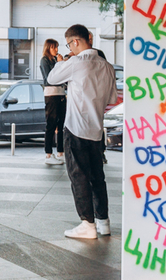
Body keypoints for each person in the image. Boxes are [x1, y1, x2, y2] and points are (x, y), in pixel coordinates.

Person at [45, 24, 118, 239]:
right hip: (96, 129)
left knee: (78, 176)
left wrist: (61, 62)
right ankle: (103, 221)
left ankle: (87, 223)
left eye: (69, 44)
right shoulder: (107, 66)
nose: (70, 48)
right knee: (97, 177)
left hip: (76, 127)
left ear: (75, 41)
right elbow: (112, 99)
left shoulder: (76, 62)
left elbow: (52, 79)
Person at [40, 39, 66, 166]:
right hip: (51, 93)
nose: (56, 50)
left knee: (61, 124)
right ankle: (48, 154)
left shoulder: (56, 60)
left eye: (56, 47)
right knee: (51, 123)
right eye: (53, 47)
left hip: (61, 93)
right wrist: (59, 64)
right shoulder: (44, 60)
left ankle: (61, 152)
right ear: (48, 48)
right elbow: (50, 78)